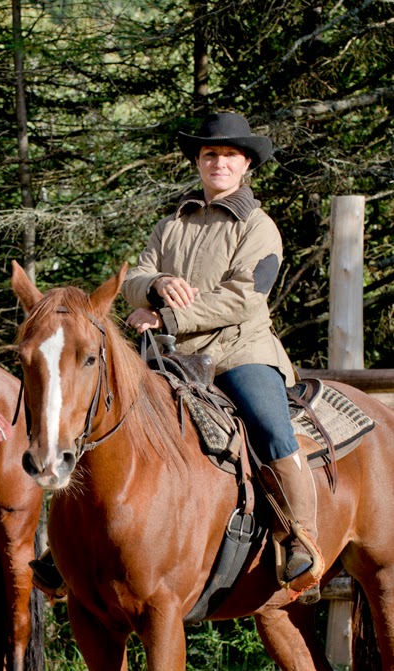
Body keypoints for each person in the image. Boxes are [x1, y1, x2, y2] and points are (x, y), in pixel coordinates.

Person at [121, 111, 321, 599]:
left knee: (270, 426)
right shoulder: (171, 225)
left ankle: (300, 538)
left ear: (246, 164)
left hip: (239, 351)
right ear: (198, 162)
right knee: (106, 415)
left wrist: (166, 317)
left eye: (230, 154)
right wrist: (156, 285)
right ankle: (74, 545)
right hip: (172, 359)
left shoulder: (258, 227)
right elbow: (132, 280)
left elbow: (243, 299)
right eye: (210, 153)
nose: (219, 162)